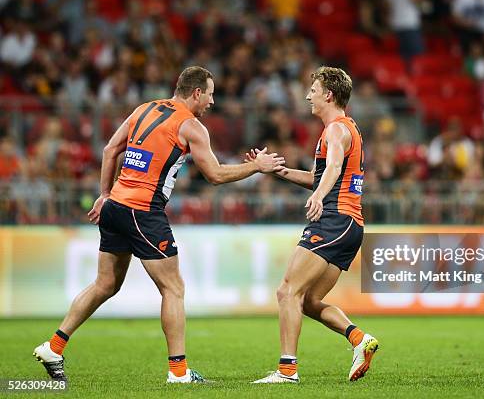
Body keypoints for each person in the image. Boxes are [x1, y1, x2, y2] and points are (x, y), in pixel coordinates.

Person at [33, 66, 285, 383]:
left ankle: (54, 347)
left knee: (105, 284)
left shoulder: (144, 108)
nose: (211, 101)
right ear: (197, 93)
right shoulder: (191, 126)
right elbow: (216, 175)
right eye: (210, 93)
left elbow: (110, 149)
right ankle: (178, 372)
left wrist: (104, 194)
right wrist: (257, 166)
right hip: (143, 211)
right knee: (173, 288)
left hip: (116, 206)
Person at [249, 66, 378, 384]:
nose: (308, 95)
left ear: (328, 95)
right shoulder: (349, 128)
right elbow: (322, 176)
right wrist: (279, 171)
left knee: (287, 291)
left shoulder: (335, 130)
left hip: (334, 219)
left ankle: (287, 371)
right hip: (350, 225)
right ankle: (359, 339)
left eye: (314, 90)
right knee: (306, 300)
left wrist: (320, 196)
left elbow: (332, 168)